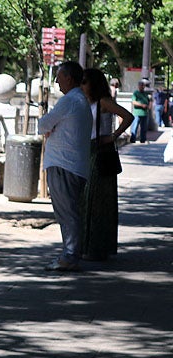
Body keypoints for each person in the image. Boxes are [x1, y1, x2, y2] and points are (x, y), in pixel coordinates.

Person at [38, 60, 92, 272]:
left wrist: (50, 127)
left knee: (67, 213)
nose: (57, 81)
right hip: (73, 164)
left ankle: (70, 256)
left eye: (59, 76)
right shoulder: (80, 100)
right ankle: (70, 253)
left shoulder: (69, 100)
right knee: (70, 212)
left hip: (63, 164)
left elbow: (44, 124)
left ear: (68, 78)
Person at [79, 68, 133, 262]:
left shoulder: (103, 101)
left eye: (84, 81)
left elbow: (128, 117)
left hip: (100, 152)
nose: (81, 85)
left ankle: (97, 247)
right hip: (87, 152)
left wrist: (112, 137)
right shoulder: (85, 102)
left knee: (98, 201)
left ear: (93, 83)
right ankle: (86, 246)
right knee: (85, 201)